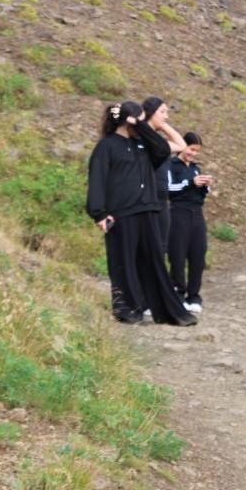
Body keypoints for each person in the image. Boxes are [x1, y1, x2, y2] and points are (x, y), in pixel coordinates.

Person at [86, 101, 197, 326]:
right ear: (128, 120)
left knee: (154, 261)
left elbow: (172, 146)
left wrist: (142, 127)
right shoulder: (106, 147)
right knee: (123, 262)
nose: (143, 123)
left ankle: (167, 312)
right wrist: (98, 214)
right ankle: (128, 310)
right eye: (139, 118)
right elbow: (97, 181)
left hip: (147, 210)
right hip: (119, 214)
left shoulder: (144, 145)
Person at [167, 132, 212, 312]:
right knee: (177, 254)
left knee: (198, 254)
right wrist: (190, 183)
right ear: (181, 145)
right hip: (178, 213)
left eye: (197, 151)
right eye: (191, 149)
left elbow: (199, 192)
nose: (193, 154)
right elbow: (169, 189)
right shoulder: (170, 165)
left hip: (197, 214)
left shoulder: (195, 168)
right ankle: (178, 293)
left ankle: (194, 296)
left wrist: (205, 185)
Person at [142, 97, 187, 253]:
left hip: (161, 202)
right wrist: (156, 124)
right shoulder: (143, 139)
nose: (166, 116)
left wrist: (162, 125)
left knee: (161, 248)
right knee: (148, 248)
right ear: (150, 113)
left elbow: (182, 146)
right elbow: (181, 145)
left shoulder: (158, 141)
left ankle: (155, 277)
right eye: (162, 112)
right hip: (145, 201)